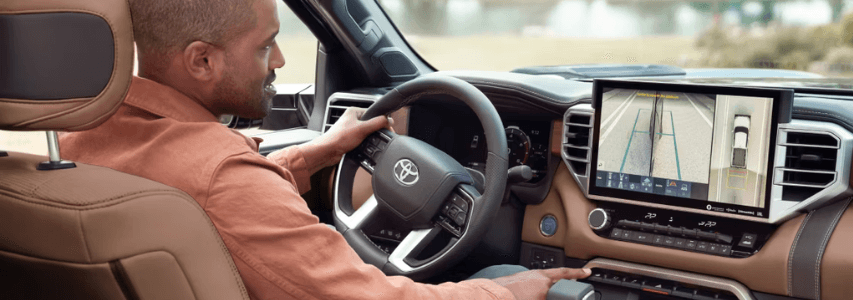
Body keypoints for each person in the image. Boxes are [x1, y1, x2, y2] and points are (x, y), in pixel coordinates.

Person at [59, 0, 590, 299]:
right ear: (201, 62)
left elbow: (208, 204)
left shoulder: (83, 136)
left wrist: (319, 152)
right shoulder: (224, 177)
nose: (281, 61)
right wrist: (516, 290)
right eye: (265, 46)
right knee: (503, 281)